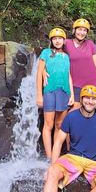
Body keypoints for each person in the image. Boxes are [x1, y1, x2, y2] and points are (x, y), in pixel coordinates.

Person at [36, 28, 74, 159]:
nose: (57, 41)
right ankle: (49, 156)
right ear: (51, 40)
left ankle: (55, 155)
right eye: (55, 38)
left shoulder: (66, 56)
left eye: (60, 38)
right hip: (50, 91)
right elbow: (39, 73)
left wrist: (72, 95)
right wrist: (39, 95)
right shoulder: (46, 53)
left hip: (64, 92)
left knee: (59, 125)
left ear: (64, 40)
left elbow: (69, 76)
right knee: (49, 124)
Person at [65, 19, 96, 110]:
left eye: (84, 30)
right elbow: (55, 56)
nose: (82, 32)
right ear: (74, 30)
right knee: (73, 113)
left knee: (91, 113)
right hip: (76, 85)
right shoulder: (66, 43)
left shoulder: (90, 44)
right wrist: (45, 71)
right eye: (79, 29)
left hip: (94, 84)